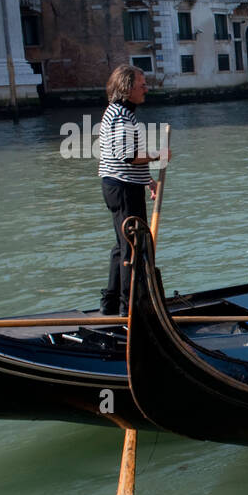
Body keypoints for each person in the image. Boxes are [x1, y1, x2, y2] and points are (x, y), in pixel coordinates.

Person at [97, 64, 167, 316]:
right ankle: (129, 310)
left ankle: (110, 304)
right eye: (142, 85)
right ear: (127, 88)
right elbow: (126, 156)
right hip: (123, 189)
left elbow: (121, 158)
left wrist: (147, 180)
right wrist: (159, 155)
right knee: (132, 248)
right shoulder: (119, 115)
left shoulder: (122, 113)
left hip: (121, 185)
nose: (146, 88)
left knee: (121, 245)